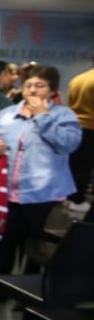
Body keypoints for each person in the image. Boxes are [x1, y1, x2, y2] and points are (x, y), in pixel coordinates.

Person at [0, 65, 81, 274]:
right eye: (28, 85)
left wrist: (43, 117)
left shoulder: (64, 115)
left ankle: (28, 290)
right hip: (6, 193)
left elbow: (68, 144)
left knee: (35, 250)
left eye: (40, 85)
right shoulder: (6, 114)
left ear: (52, 91)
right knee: (5, 244)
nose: (33, 90)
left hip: (44, 194)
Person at [65, 59, 94, 215]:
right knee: (84, 167)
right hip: (91, 127)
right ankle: (78, 199)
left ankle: (69, 197)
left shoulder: (77, 79)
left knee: (74, 165)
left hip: (74, 125)